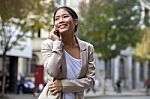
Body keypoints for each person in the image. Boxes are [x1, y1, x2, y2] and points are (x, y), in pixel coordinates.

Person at [38, 6, 96, 99]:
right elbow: (52, 71)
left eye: (65, 16)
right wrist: (57, 43)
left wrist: (64, 85)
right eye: (57, 19)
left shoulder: (88, 48)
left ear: (75, 21)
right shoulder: (48, 45)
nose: (60, 20)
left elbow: (90, 80)